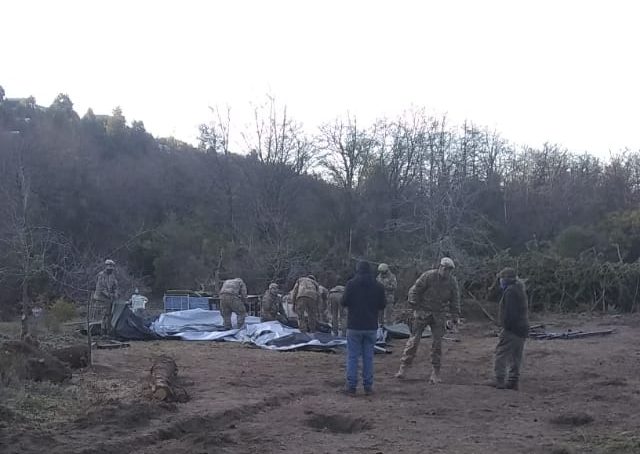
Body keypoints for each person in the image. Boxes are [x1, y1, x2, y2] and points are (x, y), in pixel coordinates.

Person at [395, 257, 460, 384]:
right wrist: (416, 307)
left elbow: (455, 300)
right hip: (423, 312)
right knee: (414, 341)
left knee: (437, 344)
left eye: (449, 270)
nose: (446, 272)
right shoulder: (428, 276)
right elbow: (414, 291)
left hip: (439, 314)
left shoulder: (452, 282)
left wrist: (454, 316)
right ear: (440, 267)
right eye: (445, 269)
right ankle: (403, 368)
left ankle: (435, 372)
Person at [341, 261, 386, 396]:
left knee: (353, 356)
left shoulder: (351, 284)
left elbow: (343, 302)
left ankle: (351, 386)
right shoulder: (378, 286)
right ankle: (368, 386)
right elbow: (382, 305)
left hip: (354, 326)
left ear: (357, 270)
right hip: (371, 326)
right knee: (368, 357)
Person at [494, 267, 529, 390]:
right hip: (522, 329)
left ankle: (499, 380)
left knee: (501, 353)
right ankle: (513, 381)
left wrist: (505, 327)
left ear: (506, 279)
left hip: (512, 330)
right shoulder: (519, 289)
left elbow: (510, 313)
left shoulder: (510, 292)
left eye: (501, 278)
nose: (500, 281)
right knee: (516, 356)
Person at [92, 259, 119, 336]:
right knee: (103, 315)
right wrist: (109, 295)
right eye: (109, 267)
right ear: (106, 267)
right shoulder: (101, 275)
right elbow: (101, 288)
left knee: (109, 315)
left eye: (112, 268)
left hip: (108, 299)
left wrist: (116, 293)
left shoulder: (112, 276)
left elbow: (115, 286)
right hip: (100, 298)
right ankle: (102, 331)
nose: (111, 269)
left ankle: (107, 331)